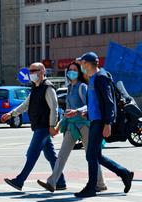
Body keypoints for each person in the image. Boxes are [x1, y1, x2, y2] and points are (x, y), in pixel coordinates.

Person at [37, 62, 107, 192]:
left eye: (75, 70)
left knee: (90, 155)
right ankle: (52, 182)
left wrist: (77, 111)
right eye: (70, 70)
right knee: (62, 154)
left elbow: (89, 106)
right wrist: (58, 126)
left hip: (85, 125)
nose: (72, 72)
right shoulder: (69, 88)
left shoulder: (82, 87)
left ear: (79, 72)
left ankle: (100, 183)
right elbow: (68, 111)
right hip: (71, 126)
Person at [73, 52, 134, 198]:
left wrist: (108, 123)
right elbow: (96, 102)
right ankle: (124, 173)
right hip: (95, 120)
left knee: (91, 155)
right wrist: (87, 113)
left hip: (101, 121)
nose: (81, 66)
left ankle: (91, 187)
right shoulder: (93, 78)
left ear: (88, 64)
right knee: (96, 156)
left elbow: (109, 102)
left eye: (82, 63)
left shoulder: (101, 78)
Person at [2, 62, 66, 191]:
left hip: (44, 127)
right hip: (38, 126)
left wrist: (52, 125)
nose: (31, 74)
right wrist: (11, 114)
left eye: (34, 71)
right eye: (30, 71)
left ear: (42, 72)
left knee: (32, 154)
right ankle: (60, 181)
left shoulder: (48, 88)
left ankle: (20, 181)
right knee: (50, 155)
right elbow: (26, 104)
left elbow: (54, 108)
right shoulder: (36, 87)